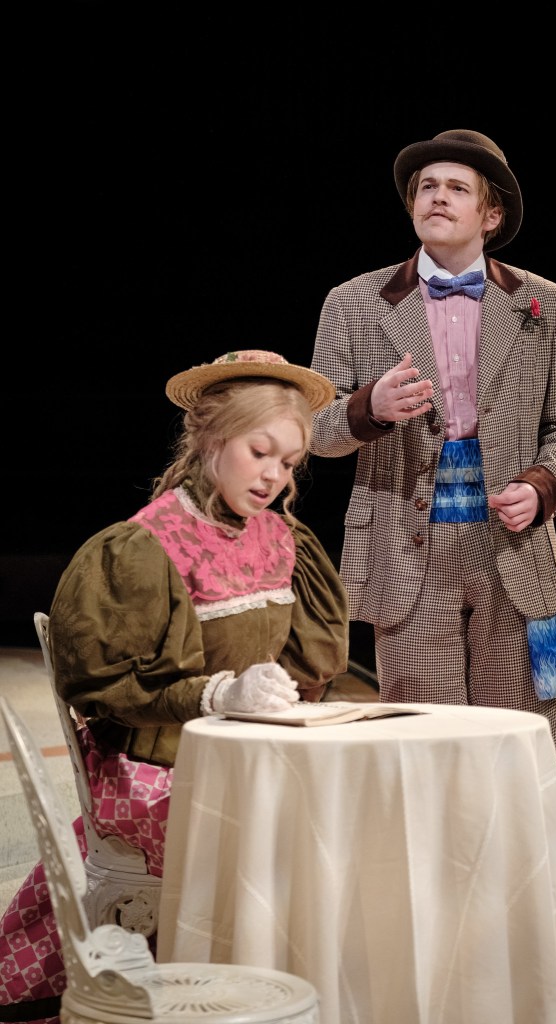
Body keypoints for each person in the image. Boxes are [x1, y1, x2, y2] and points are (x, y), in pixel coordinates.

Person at [0, 349, 349, 1024]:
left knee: (344, 807)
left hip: (245, 756)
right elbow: (106, 687)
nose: (273, 476)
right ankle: (238, 987)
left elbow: (314, 659)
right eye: (259, 452)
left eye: (288, 462)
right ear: (211, 438)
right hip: (149, 768)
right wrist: (217, 695)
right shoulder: (145, 546)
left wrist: (280, 692)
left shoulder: (284, 540)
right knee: (292, 834)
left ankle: (303, 987)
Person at [309, 128, 556, 807]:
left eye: (457, 188)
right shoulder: (353, 301)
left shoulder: (542, 302)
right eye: (427, 186)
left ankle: (521, 868)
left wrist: (542, 487)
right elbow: (315, 430)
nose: (437, 197)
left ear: (490, 215)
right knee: (421, 741)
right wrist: (369, 408)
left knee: (521, 737)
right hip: (407, 545)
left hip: (512, 544)